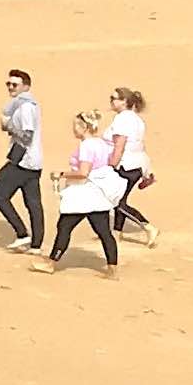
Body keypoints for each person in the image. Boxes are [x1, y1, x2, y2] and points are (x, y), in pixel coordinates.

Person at [43, 111, 124, 271]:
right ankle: (112, 268)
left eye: (75, 125)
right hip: (97, 195)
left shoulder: (87, 146)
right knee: (104, 232)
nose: (73, 129)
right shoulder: (101, 143)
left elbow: (83, 173)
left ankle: (51, 263)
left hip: (83, 194)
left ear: (83, 127)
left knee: (64, 227)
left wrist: (61, 174)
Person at [0, 69, 43, 251]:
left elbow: (27, 136)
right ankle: (36, 244)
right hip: (32, 162)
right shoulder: (27, 105)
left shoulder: (25, 107)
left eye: (15, 84)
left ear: (26, 87)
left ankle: (22, 234)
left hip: (23, 162)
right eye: (9, 84)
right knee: (33, 203)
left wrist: (9, 126)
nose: (11, 87)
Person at [107, 86, 154, 239]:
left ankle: (147, 226)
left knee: (116, 201)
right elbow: (140, 146)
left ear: (124, 101)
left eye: (114, 98)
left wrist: (112, 164)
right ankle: (117, 232)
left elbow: (120, 143)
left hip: (125, 165)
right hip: (137, 164)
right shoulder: (136, 119)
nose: (111, 101)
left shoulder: (123, 119)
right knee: (120, 198)